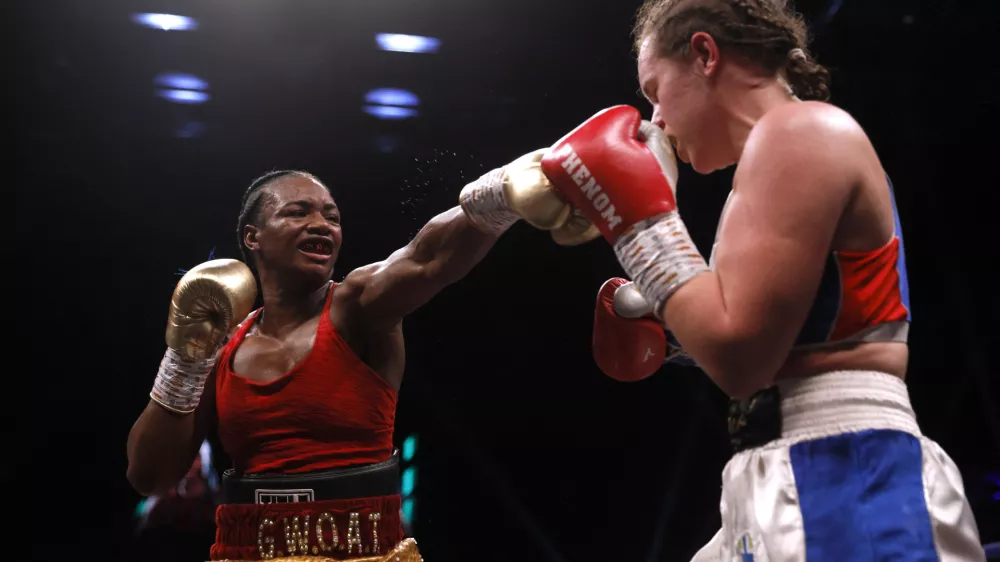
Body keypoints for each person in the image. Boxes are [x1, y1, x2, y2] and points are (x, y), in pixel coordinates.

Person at [537, 0, 987, 560]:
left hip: (842, 469)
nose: (655, 120)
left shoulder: (803, 131)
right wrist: (667, 319)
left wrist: (637, 224)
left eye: (655, 91)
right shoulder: (769, 164)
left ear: (704, 54)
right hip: (785, 467)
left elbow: (740, 359)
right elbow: (776, 337)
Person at [126, 154, 590, 560]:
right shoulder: (221, 347)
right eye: (298, 211)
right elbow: (149, 476)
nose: (321, 224)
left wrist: (503, 192)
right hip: (245, 553)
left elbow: (425, 259)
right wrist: (184, 361)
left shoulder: (357, 307)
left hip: (366, 554)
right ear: (253, 237)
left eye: (332, 216)